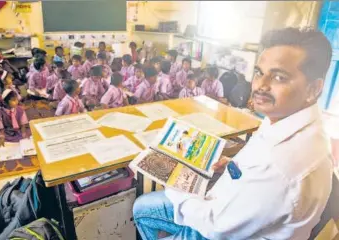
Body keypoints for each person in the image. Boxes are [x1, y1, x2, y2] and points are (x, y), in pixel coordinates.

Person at [133, 27, 333, 240]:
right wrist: (233, 165)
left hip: (222, 229)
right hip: (229, 205)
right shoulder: (287, 118)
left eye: (279, 77)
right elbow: (259, 171)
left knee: (147, 209)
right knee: (142, 207)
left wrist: (174, 185)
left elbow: (215, 227)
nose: (260, 86)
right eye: (259, 72)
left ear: (313, 89)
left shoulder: (283, 166)